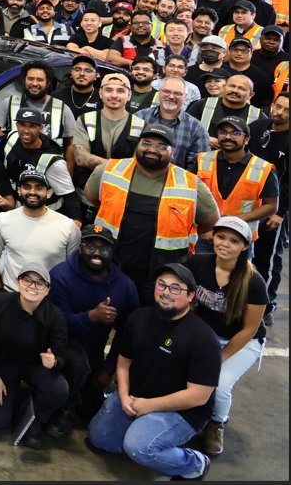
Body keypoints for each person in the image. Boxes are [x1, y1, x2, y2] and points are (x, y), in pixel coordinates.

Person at [87, 263, 222, 481]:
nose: (167, 292)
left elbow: (199, 396)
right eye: (162, 285)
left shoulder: (204, 339)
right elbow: (123, 362)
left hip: (182, 412)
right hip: (137, 398)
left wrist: (148, 406)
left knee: (139, 447)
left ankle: (194, 463)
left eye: (176, 288)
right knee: (100, 439)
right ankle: (147, 434)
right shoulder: (139, 318)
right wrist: (123, 397)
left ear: (190, 296)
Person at [84, 123, 221, 302]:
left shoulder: (191, 184)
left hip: (161, 275)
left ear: (173, 152)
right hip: (111, 267)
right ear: (137, 145)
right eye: (146, 143)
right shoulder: (108, 171)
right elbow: (93, 197)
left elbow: (210, 222)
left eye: (161, 146)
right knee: (108, 314)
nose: (152, 149)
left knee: (146, 323)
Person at [186, 215, 268, 457]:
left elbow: (250, 329)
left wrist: (220, 357)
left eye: (233, 241)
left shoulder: (254, 282)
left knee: (218, 384)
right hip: (206, 333)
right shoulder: (197, 264)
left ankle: (216, 422)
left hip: (242, 342)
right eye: (220, 236)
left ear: (245, 246)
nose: (224, 243)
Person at [48, 222, 140, 425]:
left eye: (104, 249)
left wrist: (108, 368)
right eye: (90, 247)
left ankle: (77, 401)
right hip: (60, 346)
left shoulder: (125, 286)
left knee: (90, 413)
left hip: (96, 350)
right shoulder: (60, 276)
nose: (97, 253)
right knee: (76, 366)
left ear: (112, 252)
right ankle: (63, 408)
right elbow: (57, 324)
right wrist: (91, 316)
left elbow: (128, 333)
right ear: (80, 248)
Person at [0, 262, 71, 448]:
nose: (32, 286)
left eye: (39, 283)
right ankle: (15, 398)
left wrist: (54, 362)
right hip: (3, 364)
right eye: (27, 280)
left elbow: (61, 353)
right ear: (18, 282)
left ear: (47, 290)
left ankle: (35, 415)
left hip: (34, 366)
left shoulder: (55, 316)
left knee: (60, 389)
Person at [0, 170, 81, 291]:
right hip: (12, 293)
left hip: (50, 298)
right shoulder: (2, 220)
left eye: (38, 188)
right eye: (27, 187)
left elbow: (73, 267)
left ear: (48, 193)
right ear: (19, 190)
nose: (32, 192)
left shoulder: (68, 226)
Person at [194, 116, 279, 241]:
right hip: (205, 233)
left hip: (240, 236)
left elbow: (271, 206)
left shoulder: (263, 168)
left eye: (235, 133)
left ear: (246, 140)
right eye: (223, 132)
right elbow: (189, 193)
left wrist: (237, 219)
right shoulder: (202, 159)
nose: (228, 137)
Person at [249, 94, 288, 321]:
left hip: (273, 210)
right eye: (277, 106)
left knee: (268, 259)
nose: (279, 112)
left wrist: (281, 212)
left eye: (286, 110)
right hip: (248, 203)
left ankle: (266, 305)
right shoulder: (258, 127)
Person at [135, 76, 211, 171]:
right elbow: (128, 152)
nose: (171, 96)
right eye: (166, 91)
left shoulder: (196, 128)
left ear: (185, 97)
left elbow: (198, 165)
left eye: (177, 93)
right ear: (159, 93)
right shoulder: (139, 117)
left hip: (175, 183)